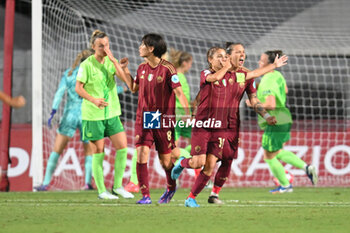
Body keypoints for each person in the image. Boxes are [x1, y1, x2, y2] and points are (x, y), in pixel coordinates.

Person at [172, 44, 288, 207]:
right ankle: (183, 162)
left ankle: (194, 197)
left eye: (244, 52)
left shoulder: (243, 75)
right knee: (199, 163)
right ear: (228, 56)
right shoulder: (209, 73)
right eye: (238, 52)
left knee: (218, 162)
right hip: (204, 124)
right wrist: (193, 113)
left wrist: (266, 115)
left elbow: (253, 92)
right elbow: (208, 86)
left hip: (226, 126)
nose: (242, 55)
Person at [128, 33, 190, 204]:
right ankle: (145, 195)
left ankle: (171, 187)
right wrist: (124, 70)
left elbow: (178, 92)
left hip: (163, 118)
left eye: (143, 45)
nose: (139, 47)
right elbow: (134, 88)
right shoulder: (141, 68)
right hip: (145, 116)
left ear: (151, 48)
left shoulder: (168, 68)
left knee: (165, 160)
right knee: (142, 153)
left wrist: (187, 112)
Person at [246, 50, 318, 193]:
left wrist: (251, 103)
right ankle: (307, 168)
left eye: (261, 61)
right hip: (284, 118)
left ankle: (285, 185)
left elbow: (271, 104)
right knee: (277, 151)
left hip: (275, 120)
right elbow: (284, 89)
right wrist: (261, 88)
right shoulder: (277, 75)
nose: (259, 63)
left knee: (268, 157)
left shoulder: (267, 80)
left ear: (269, 64)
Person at [75, 30, 134, 199]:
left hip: (112, 112)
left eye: (107, 45)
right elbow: (78, 88)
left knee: (122, 147)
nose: (104, 48)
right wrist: (94, 100)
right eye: (101, 46)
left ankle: (118, 187)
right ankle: (102, 191)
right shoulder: (86, 65)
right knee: (98, 151)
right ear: (93, 47)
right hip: (93, 114)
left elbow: (126, 80)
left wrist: (118, 64)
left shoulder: (110, 62)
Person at [34, 49, 95, 192]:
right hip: (87, 114)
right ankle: (87, 183)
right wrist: (122, 88)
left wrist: (53, 111)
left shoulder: (69, 73)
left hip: (69, 115)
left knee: (57, 149)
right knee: (89, 150)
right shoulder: (94, 75)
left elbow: (59, 93)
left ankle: (45, 183)